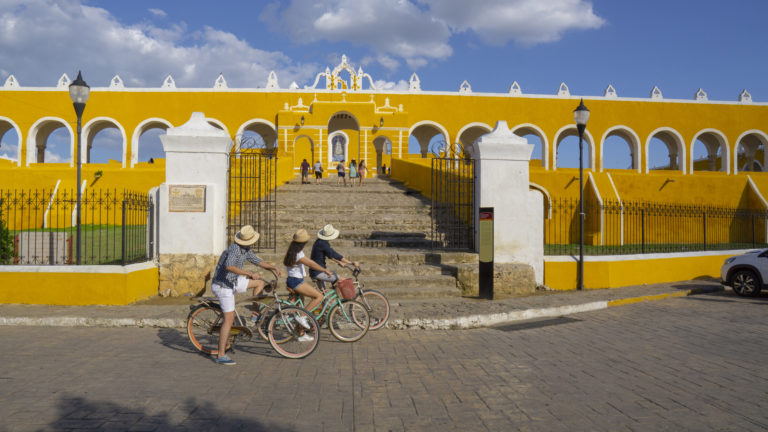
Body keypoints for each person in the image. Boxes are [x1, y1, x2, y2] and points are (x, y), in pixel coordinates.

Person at [210, 225, 282, 365]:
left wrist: (272, 267)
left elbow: (257, 260)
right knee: (229, 320)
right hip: (223, 285)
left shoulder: (245, 249)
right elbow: (229, 267)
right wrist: (249, 274)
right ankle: (220, 355)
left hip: (233, 281)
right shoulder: (235, 249)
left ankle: (255, 315)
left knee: (259, 282)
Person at [284, 229, 333, 322]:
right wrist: (324, 270)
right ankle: (302, 317)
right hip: (296, 281)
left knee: (299, 306)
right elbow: (311, 264)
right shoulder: (298, 254)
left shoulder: (292, 250)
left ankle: (301, 331)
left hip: (294, 280)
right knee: (319, 297)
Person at [310, 224, 358, 296]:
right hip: (318, 272)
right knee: (342, 280)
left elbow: (329, 255)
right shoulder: (323, 244)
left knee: (323, 296)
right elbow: (334, 255)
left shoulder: (319, 241)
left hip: (316, 271)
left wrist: (339, 262)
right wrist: (351, 263)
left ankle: (328, 304)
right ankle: (335, 301)